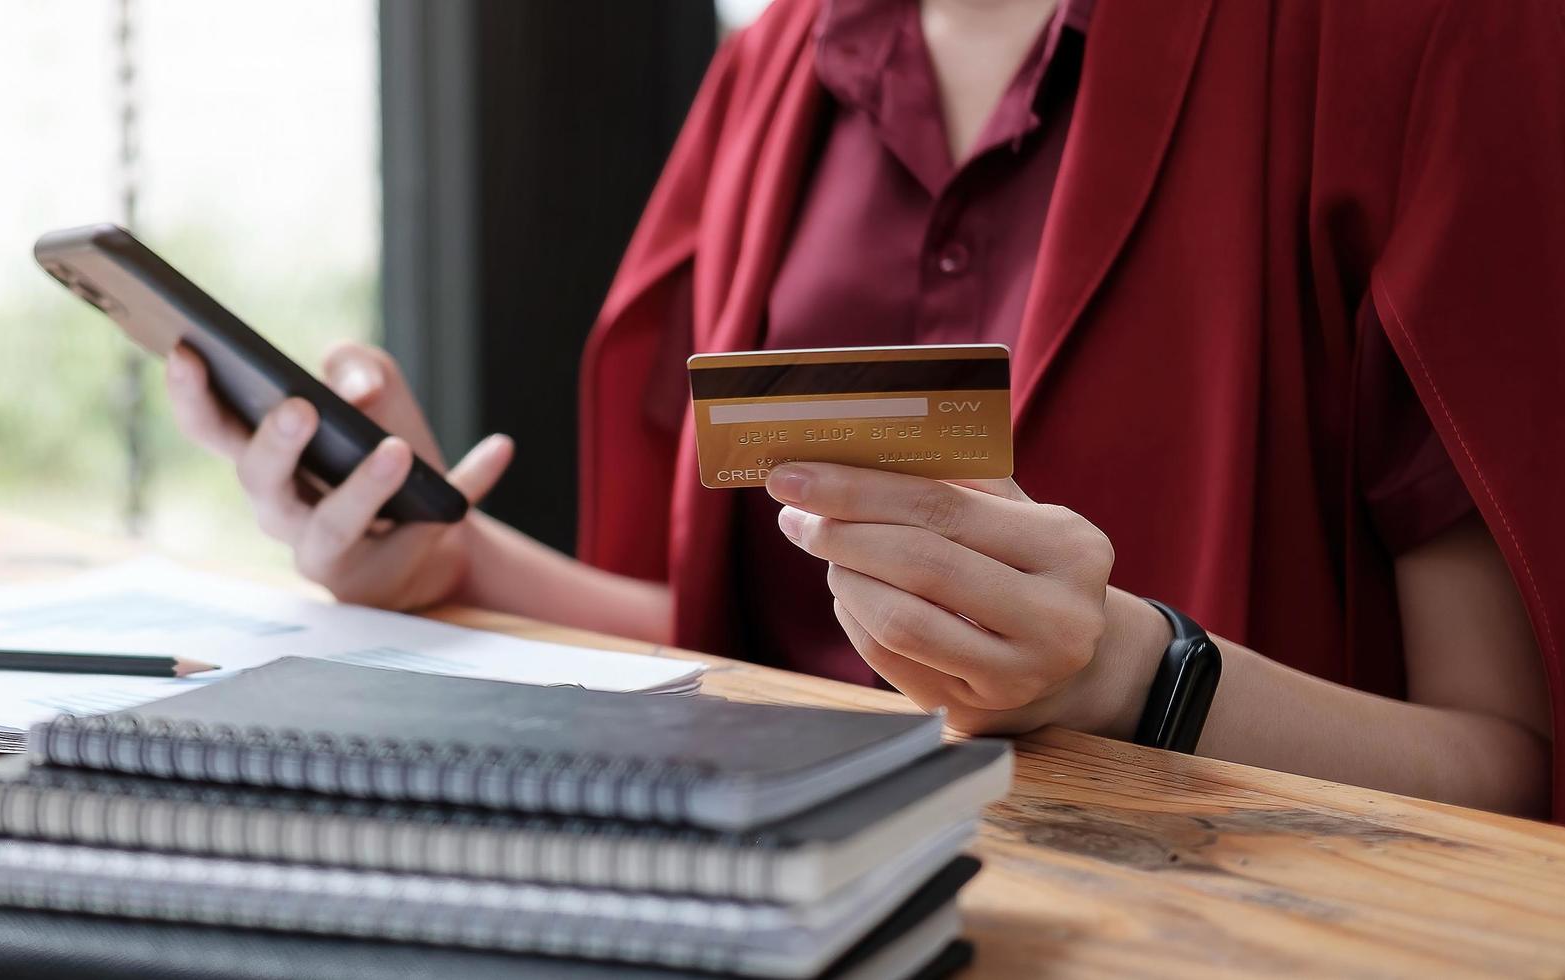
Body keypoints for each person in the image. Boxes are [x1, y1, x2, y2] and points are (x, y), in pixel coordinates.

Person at [163, 0, 1565, 818]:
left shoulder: (1425, 42)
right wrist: (448, 558)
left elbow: (1510, 770)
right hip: (793, 892)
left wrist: (1131, 675)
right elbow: (766, 647)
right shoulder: (775, 68)